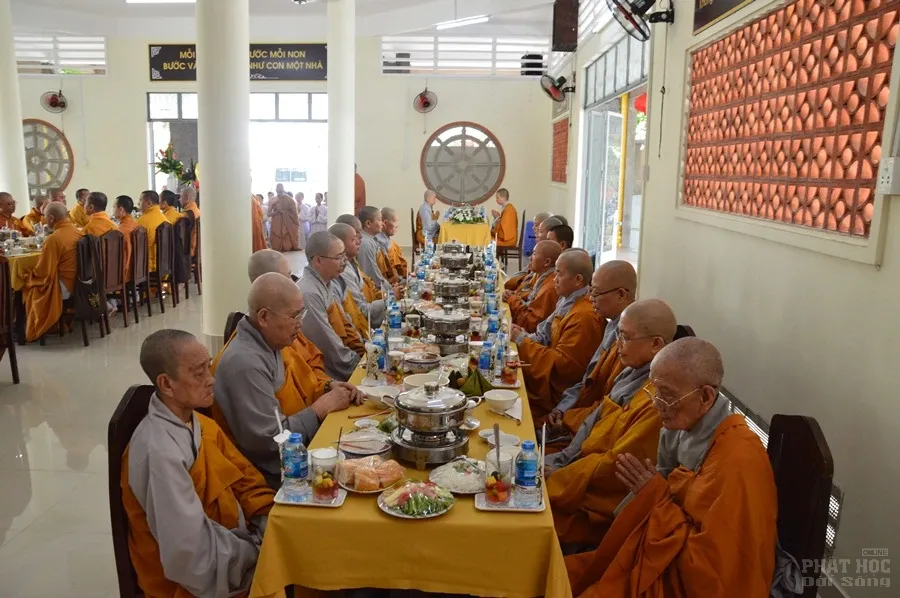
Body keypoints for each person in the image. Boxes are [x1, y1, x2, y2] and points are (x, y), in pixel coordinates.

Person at [566, 338, 778, 598]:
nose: (656, 404)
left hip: (681, 581)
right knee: (567, 572)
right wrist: (652, 496)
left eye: (666, 395)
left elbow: (715, 574)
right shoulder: (679, 428)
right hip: (655, 558)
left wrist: (654, 496)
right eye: (654, 392)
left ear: (705, 396)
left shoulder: (738, 460)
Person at [122, 329, 275, 597]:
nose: (211, 380)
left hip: (235, 545)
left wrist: (269, 521)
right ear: (167, 384)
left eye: (208, 368)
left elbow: (246, 481)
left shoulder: (202, 424)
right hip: (194, 582)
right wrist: (257, 553)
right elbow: (191, 556)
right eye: (198, 373)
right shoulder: (159, 452)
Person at [546, 299, 676, 547]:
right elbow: (602, 415)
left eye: (625, 337)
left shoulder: (656, 400)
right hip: (578, 469)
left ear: (656, 344)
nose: (617, 344)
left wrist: (560, 475)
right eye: (617, 334)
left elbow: (617, 466)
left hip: (595, 506)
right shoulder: (631, 374)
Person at [212, 273, 359, 488]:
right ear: (263, 317)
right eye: (295, 316)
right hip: (272, 473)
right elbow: (269, 440)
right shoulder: (244, 363)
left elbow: (303, 386)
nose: (301, 324)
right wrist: (320, 408)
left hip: (300, 443)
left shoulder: (272, 341)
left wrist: (327, 387)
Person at [511, 249, 604, 421]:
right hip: (545, 372)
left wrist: (522, 341)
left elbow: (564, 367)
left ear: (578, 280)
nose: (554, 280)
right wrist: (524, 336)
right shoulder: (567, 300)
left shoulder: (584, 317)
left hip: (557, 394)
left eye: (559, 274)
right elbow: (543, 333)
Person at [548, 261, 638, 434]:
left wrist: (569, 420)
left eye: (596, 293)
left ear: (620, 295)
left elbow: (610, 405)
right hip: (579, 412)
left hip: (590, 426)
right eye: (590, 292)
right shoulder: (612, 327)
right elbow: (587, 381)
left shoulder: (631, 344)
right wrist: (563, 408)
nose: (590, 298)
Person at [297, 231, 365, 380]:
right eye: (338, 257)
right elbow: (328, 344)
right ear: (318, 261)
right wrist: (359, 364)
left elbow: (345, 322)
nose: (345, 261)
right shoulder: (310, 293)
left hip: (341, 356)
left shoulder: (327, 283)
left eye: (344, 255)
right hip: (325, 369)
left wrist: (364, 349)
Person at [21, 203, 84, 341]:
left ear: (51, 218)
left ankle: (32, 329)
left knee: (27, 287)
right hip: (80, 283)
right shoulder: (79, 232)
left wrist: (27, 275)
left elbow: (43, 272)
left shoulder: (54, 238)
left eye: (45, 217)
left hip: (66, 287)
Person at [330, 222, 389, 335]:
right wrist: (389, 300)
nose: (360, 239)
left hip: (366, 323)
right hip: (362, 328)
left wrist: (388, 296)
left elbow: (371, 288)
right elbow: (360, 311)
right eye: (354, 238)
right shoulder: (342, 272)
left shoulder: (353, 262)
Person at [504, 240, 561, 332]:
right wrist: (514, 296)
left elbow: (530, 325)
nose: (530, 257)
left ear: (546, 262)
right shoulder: (542, 276)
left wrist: (512, 300)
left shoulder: (549, 288)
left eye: (534, 254)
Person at [357, 206, 394, 289]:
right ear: (368, 224)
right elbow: (371, 274)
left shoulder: (373, 239)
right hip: (374, 291)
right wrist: (390, 290)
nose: (383, 224)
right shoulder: (365, 243)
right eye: (380, 220)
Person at [136, 190, 169, 273]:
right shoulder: (165, 219)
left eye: (140, 200)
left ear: (148, 203)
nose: (138, 204)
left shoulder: (143, 221)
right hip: (165, 265)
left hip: (148, 267)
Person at [377, 207, 408, 280]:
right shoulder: (380, 242)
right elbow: (389, 271)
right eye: (395, 221)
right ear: (384, 223)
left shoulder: (388, 241)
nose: (396, 225)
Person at [115, 195, 138, 282]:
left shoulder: (122, 231)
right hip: (137, 270)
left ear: (121, 210)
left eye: (114, 207)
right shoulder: (135, 225)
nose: (113, 210)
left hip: (126, 273)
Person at [180, 187, 201, 257]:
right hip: (199, 251)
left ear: (187, 198)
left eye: (181, 197)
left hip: (189, 252)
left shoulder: (186, 215)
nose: (179, 199)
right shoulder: (198, 212)